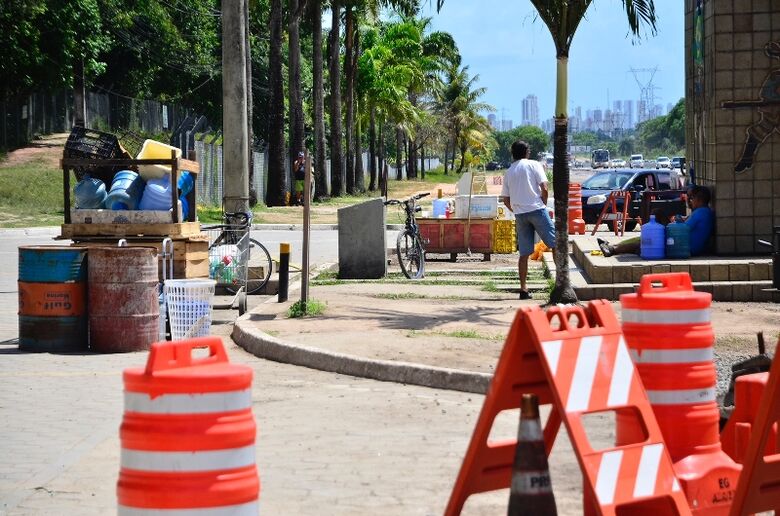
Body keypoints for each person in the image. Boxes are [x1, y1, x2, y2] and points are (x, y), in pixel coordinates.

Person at [500, 140, 556, 300]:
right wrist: (543, 203)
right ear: (527, 152)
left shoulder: (509, 171)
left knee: (524, 254)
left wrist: (516, 210)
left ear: (513, 154)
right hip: (537, 210)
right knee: (555, 245)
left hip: (520, 215)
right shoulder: (534, 164)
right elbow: (545, 187)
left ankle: (523, 289)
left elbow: (505, 199)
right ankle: (559, 281)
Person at [598, 185, 714, 257]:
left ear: (699, 199)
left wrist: (676, 221)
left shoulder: (700, 213)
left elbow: (682, 229)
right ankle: (613, 247)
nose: (690, 201)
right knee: (644, 243)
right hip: (685, 245)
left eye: (691, 199)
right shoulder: (704, 212)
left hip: (684, 247)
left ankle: (613, 249)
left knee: (647, 240)